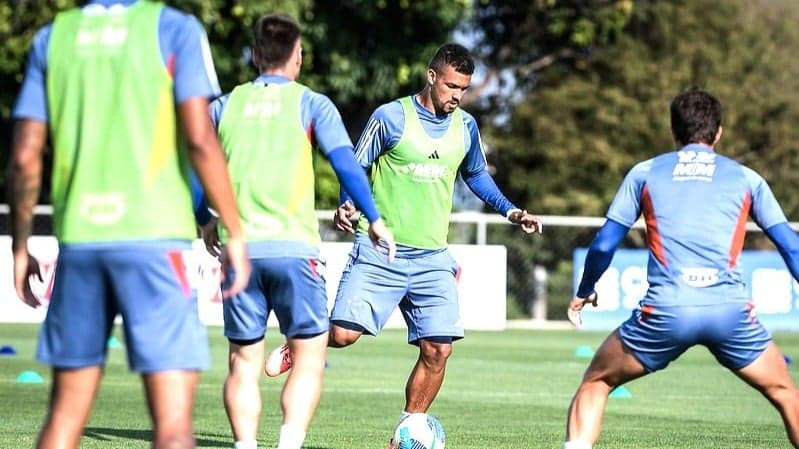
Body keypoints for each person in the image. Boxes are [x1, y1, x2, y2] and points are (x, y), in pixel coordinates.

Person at [264, 42, 543, 447]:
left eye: (463, 90)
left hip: (432, 256)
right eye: (451, 86)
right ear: (431, 77)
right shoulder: (391, 117)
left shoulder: (465, 127)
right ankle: (302, 343)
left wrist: (511, 211)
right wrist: (346, 203)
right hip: (381, 251)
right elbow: (354, 166)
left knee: (439, 350)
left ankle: (407, 432)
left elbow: (476, 174)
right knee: (343, 336)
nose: (456, 96)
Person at [7, 0, 251, 448]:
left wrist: (20, 246)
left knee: (63, 419)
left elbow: (24, 158)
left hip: (81, 241)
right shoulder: (175, 28)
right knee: (174, 427)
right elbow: (200, 137)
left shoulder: (53, 37)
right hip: (156, 241)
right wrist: (233, 228)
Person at [565, 88, 799, 449]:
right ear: (718, 132)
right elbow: (791, 247)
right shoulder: (747, 178)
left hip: (665, 311)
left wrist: (585, 289)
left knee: (596, 381)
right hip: (729, 313)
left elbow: (604, 244)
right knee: (785, 392)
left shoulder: (644, 173)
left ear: (673, 132)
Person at [201, 13, 396, 449]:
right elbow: (345, 162)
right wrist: (374, 217)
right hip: (295, 250)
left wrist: (205, 218)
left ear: (255, 55)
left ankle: (245, 445)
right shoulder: (312, 103)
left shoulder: (223, 105)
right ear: (298, 55)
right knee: (309, 355)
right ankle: (288, 443)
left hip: (240, 250)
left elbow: (195, 170)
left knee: (243, 361)